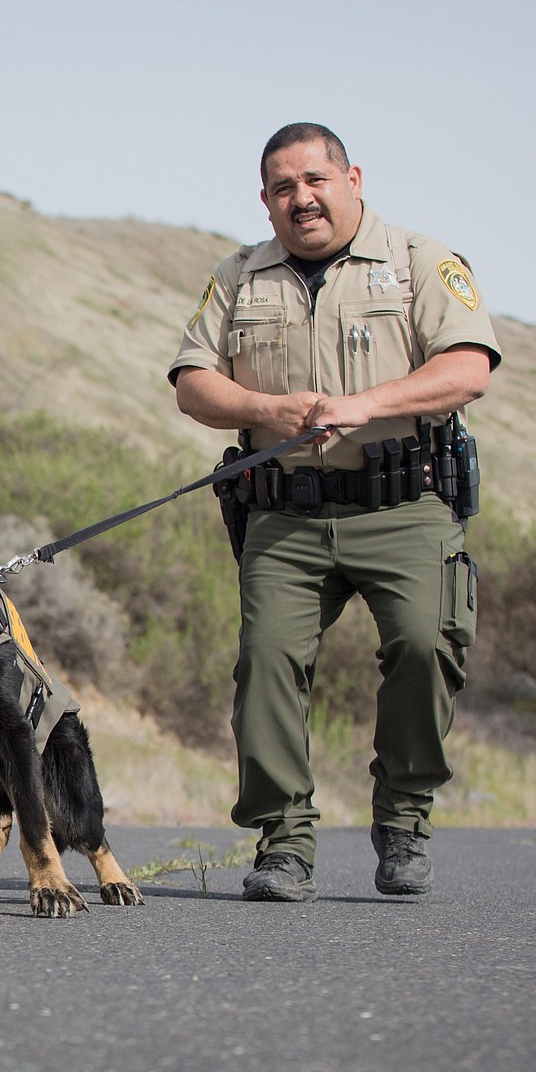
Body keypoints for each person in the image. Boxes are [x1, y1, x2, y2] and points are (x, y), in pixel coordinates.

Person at [168, 122, 501, 901]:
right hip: (284, 516)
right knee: (267, 664)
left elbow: (468, 368)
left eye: (315, 180)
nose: (301, 198)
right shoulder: (240, 276)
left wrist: (366, 405)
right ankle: (284, 841)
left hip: (404, 504)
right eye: (284, 188)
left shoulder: (421, 262)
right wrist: (260, 407)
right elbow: (191, 382)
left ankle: (405, 817)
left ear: (353, 179)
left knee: (426, 645)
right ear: (265, 199)